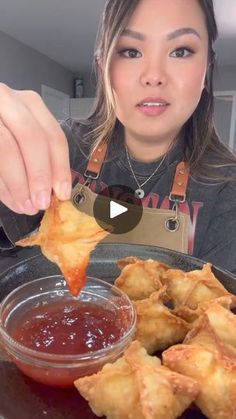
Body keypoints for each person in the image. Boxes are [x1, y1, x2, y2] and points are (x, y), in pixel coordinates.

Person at [0, 0, 236, 274]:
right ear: (104, 68)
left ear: (207, 67)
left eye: (181, 51)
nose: (153, 76)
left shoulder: (227, 191)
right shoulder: (54, 151)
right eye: (131, 51)